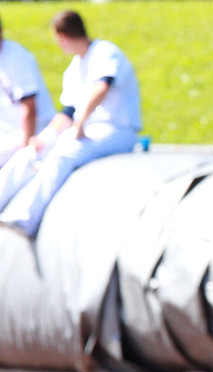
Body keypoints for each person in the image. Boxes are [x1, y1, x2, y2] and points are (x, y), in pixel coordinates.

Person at [0, 10, 141, 238]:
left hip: (116, 128)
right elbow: (67, 112)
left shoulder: (105, 52)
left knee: (65, 154)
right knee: (30, 152)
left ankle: (24, 218)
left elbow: (101, 87)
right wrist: (43, 137)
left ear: (61, 35)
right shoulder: (75, 67)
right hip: (85, 128)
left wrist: (80, 123)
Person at [0, 16, 56, 168]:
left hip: (31, 131)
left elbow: (29, 107)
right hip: (6, 134)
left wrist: (25, 151)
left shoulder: (16, 57)